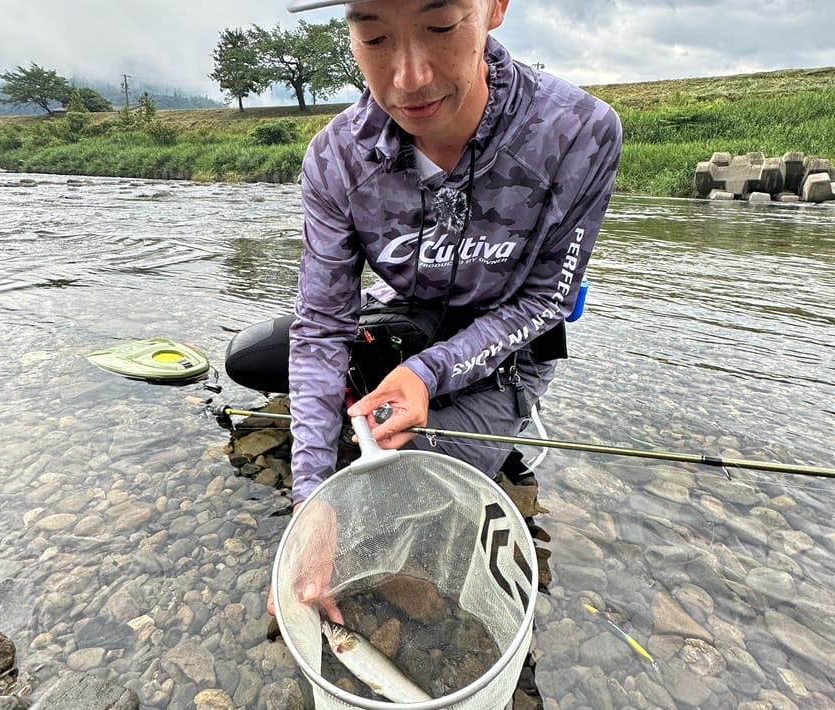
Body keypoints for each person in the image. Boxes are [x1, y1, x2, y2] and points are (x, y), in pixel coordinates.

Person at [225, 0, 621, 618]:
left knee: (396, 493)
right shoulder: (335, 159)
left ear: (493, 8)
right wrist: (310, 501)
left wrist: (428, 374)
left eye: (439, 26)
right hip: (399, 318)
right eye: (375, 35)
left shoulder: (579, 132)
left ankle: (493, 428)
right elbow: (323, 324)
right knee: (250, 361)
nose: (408, 78)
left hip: (506, 351)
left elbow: (546, 298)